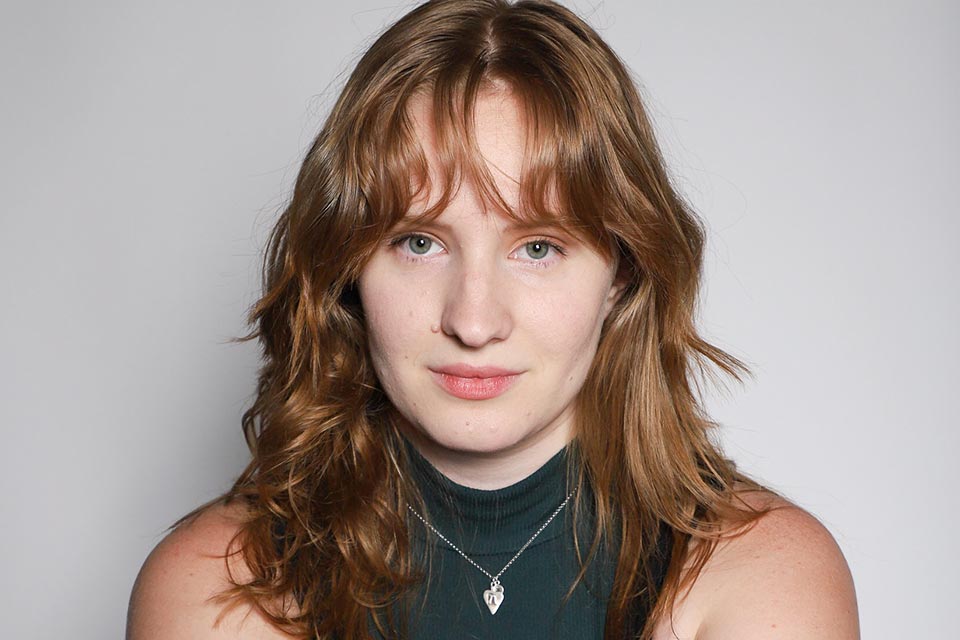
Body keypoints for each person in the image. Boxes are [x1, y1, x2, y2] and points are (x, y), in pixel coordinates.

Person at [126, 1, 859, 638]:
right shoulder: (217, 586)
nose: (473, 322)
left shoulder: (762, 575)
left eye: (537, 248)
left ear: (623, 273)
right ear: (347, 264)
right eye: (419, 243)